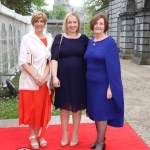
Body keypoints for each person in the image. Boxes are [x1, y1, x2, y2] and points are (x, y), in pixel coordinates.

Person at [84, 14, 124, 150]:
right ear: (92, 25)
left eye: (101, 24)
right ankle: (99, 139)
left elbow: (115, 67)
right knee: (95, 112)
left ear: (105, 26)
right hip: (90, 85)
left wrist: (110, 87)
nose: (98, 26)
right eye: (96, 23)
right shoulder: (90, 42)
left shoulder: (110, 42)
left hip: (103, 85)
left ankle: (101, 143)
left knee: (101, 113)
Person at [51, 12, 89, 147]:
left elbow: (94, 53)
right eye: (69, 22)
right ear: (65, 24)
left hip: (79, 78)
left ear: (78, 23)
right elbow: (54, 58)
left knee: (77, 107)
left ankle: (75, 133)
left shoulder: (84, 39)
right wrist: (54, 76)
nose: (72, 25)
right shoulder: (59, 38)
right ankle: (65, 133)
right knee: (64, 107)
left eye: (75, 22)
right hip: (63, 78)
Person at [18, 11, 53, 149]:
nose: (39, 24)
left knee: (43, 109)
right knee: (33, 109)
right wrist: (36, 77)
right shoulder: (27, 38)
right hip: (31, 80)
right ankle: (32, 135)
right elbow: (23, 61)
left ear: (44, 23)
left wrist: (44, 76)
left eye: (42, 21)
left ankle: (41, 134)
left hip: (45, 80)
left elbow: (52, 59)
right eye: (37, 21)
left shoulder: (49, 39)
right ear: (33, 23)